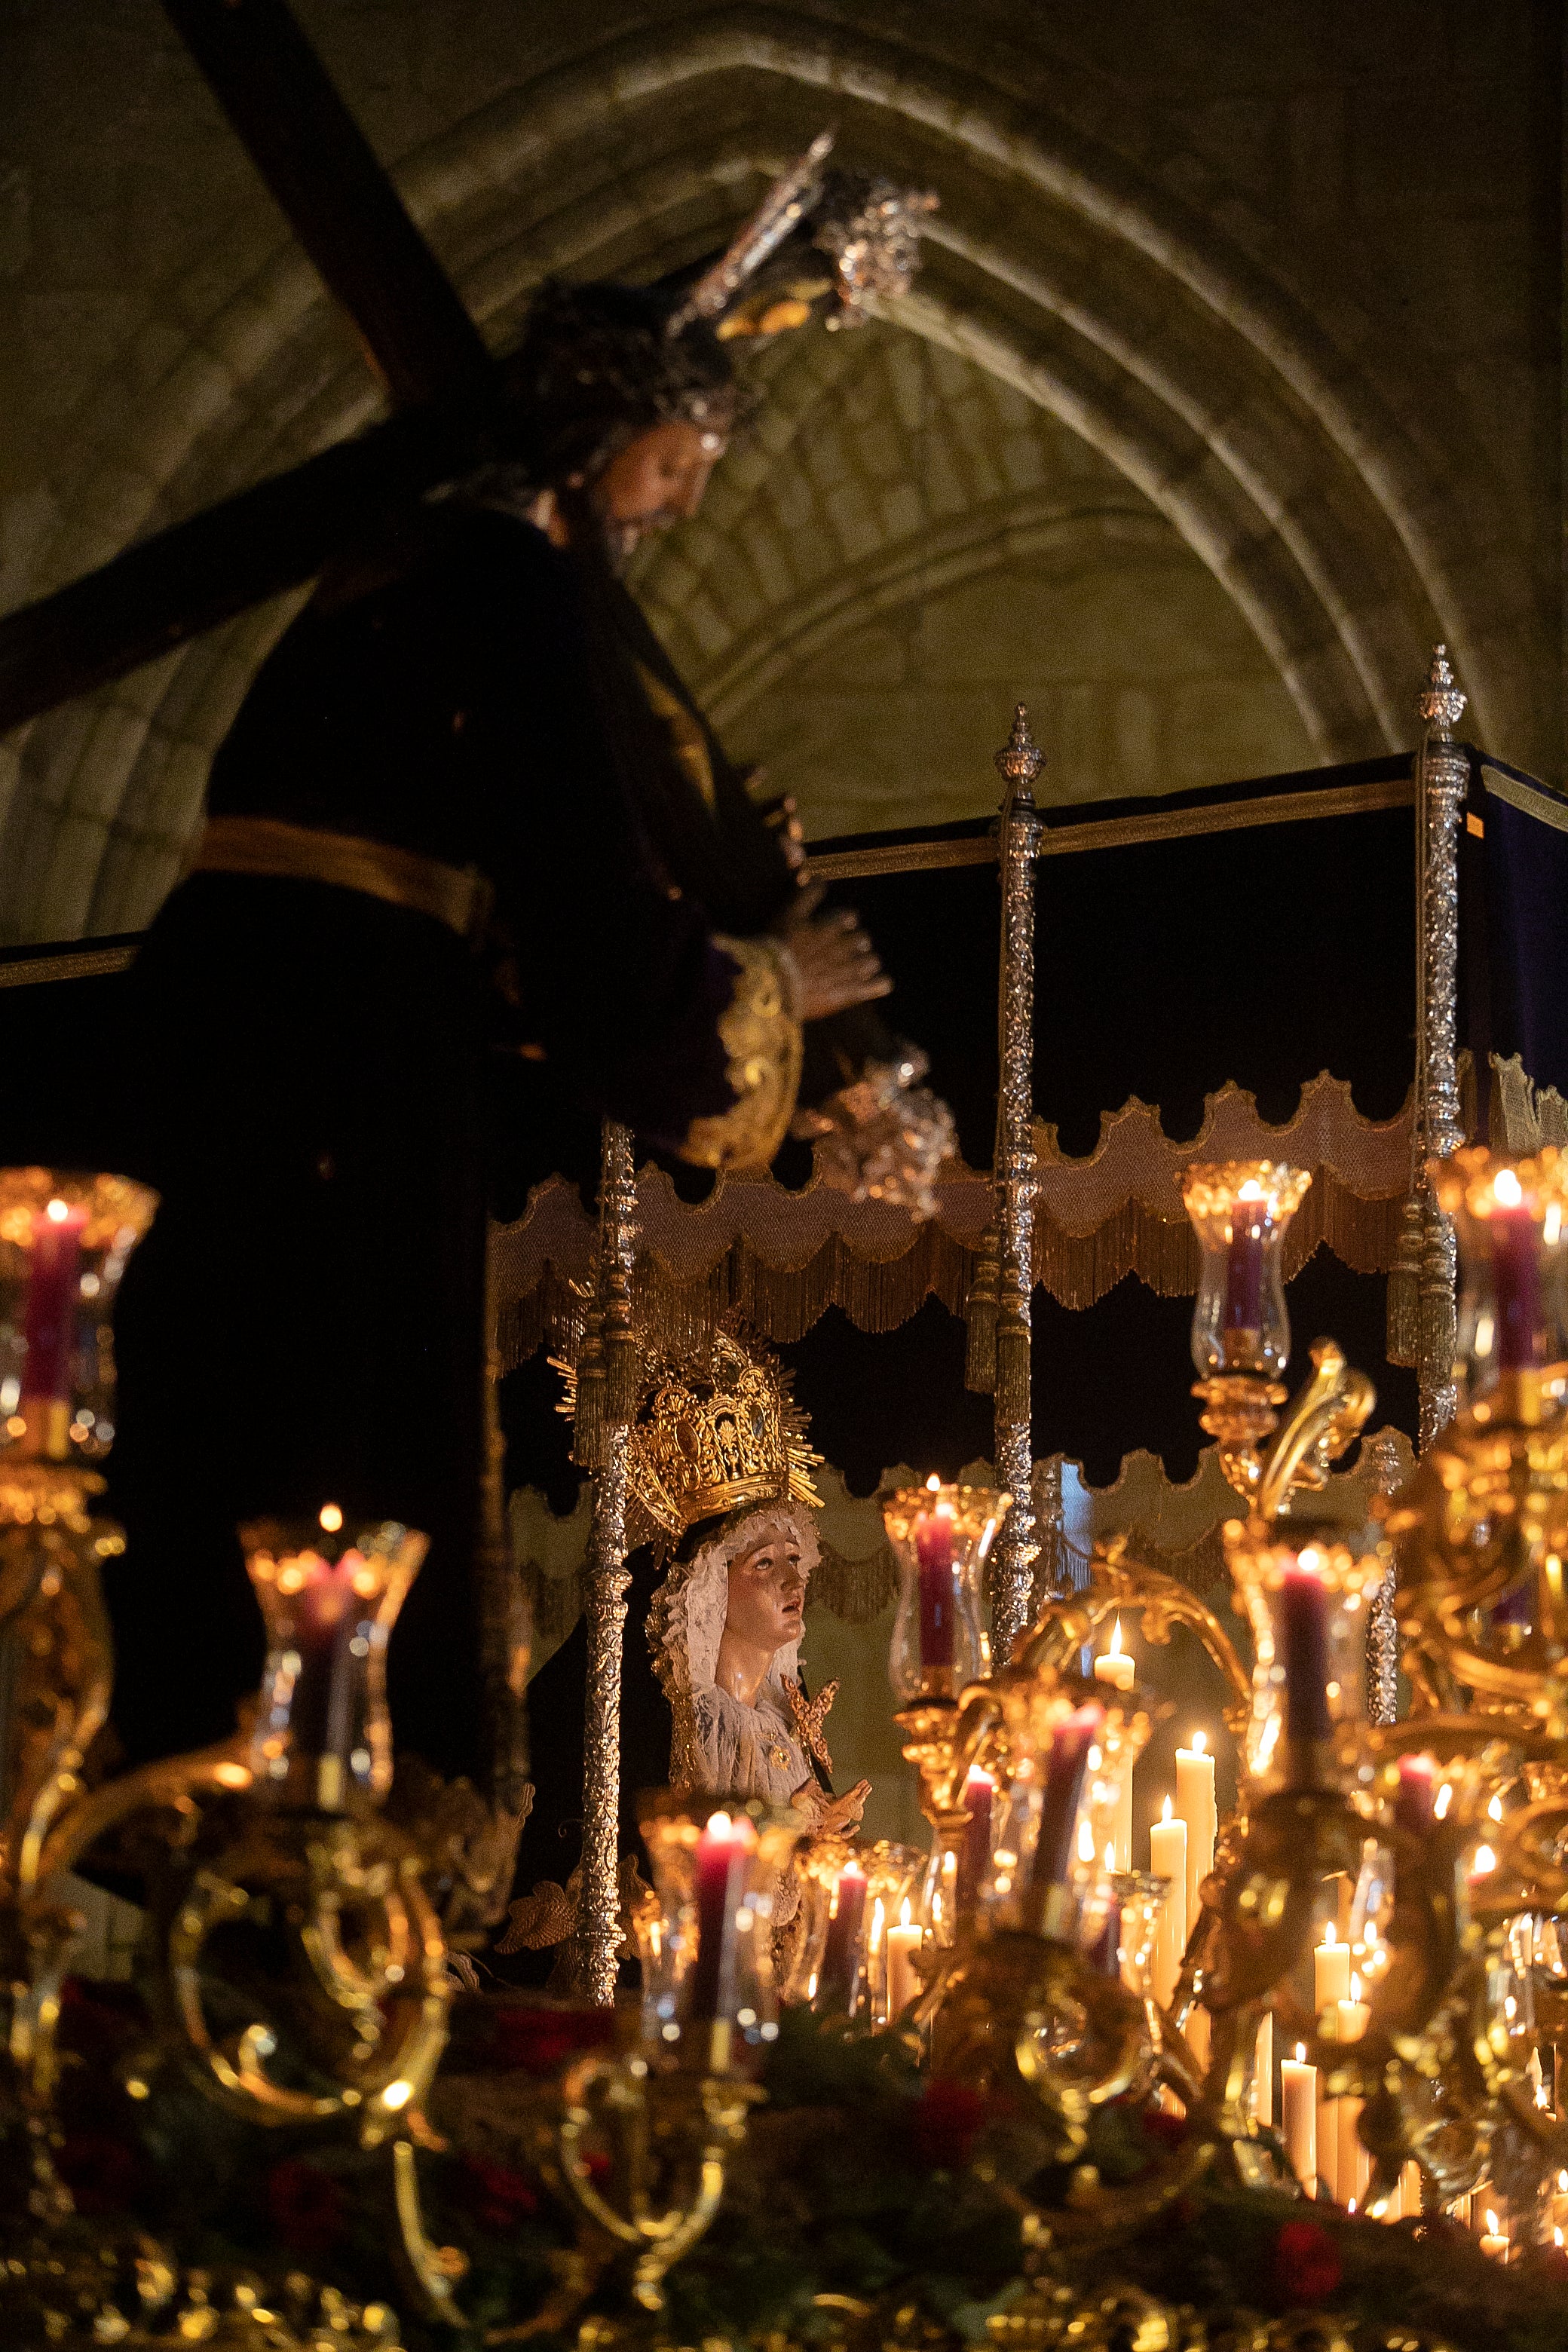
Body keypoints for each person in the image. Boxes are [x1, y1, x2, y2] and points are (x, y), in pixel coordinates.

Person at [104, 141, 940, 1898]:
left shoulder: (410, 578)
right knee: (325, 1434)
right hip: (339, 1056)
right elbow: (586, 914)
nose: (684, 498)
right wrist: (772, 992)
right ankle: (290, 1847)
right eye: (676, 456)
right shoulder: (509, 583)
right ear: (600, 439)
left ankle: (251, 1802)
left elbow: (520, 882)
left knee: (260, 1419)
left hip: (263, 1027)